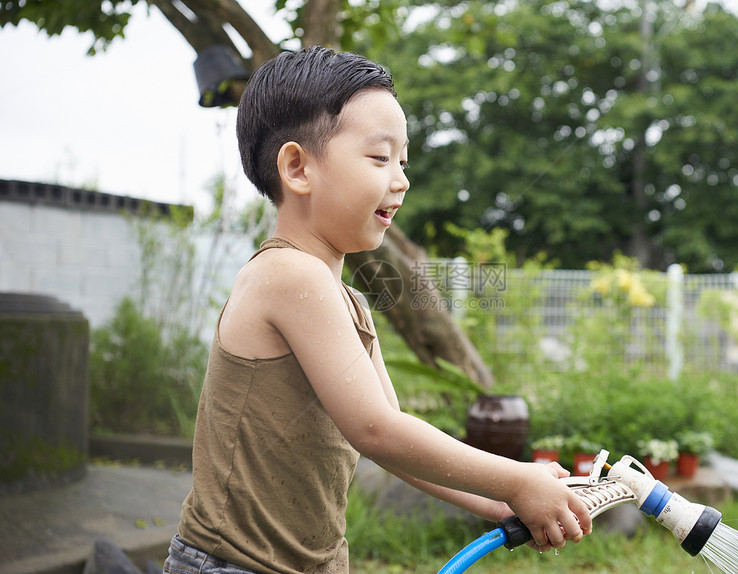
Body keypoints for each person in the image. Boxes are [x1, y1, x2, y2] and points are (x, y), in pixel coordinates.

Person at [164, 46, 591, 574]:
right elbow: (375, 430)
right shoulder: (289, 275)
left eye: (403, 161)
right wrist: (516, 478)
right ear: (297, 167)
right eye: (379, 157)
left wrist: (502, 500)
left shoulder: (348, 299)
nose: (402, 179)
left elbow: (392, 433)